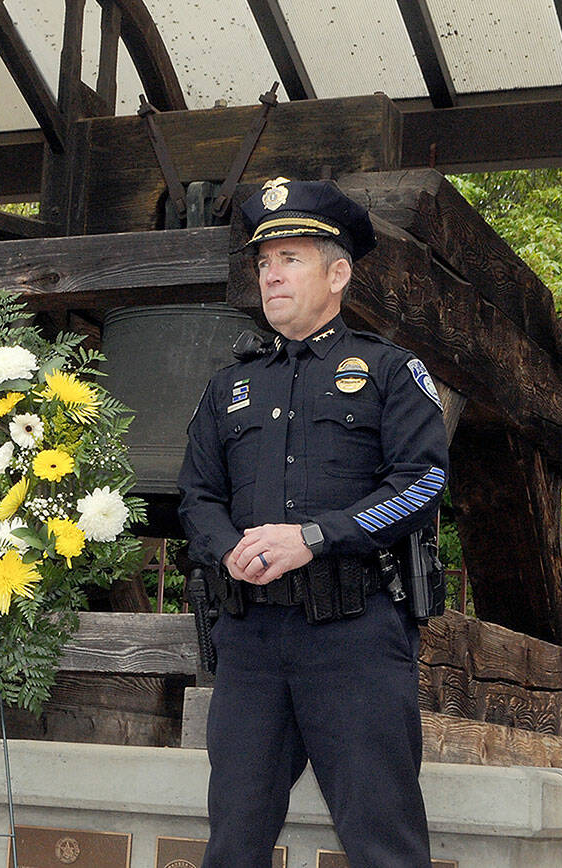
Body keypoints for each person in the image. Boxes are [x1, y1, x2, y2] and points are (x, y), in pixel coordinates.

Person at [177, 177, 448, 867]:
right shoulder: (228, 387)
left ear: (338, 273)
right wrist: (226, 548)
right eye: (263, 263)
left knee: (383, 844)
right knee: (233, 843)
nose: (271, 274)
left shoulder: (389, 370)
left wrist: (315, 537)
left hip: (352, 639)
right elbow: (197, 495)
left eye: (289, 258)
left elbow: (424, 481)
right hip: (250, 644)